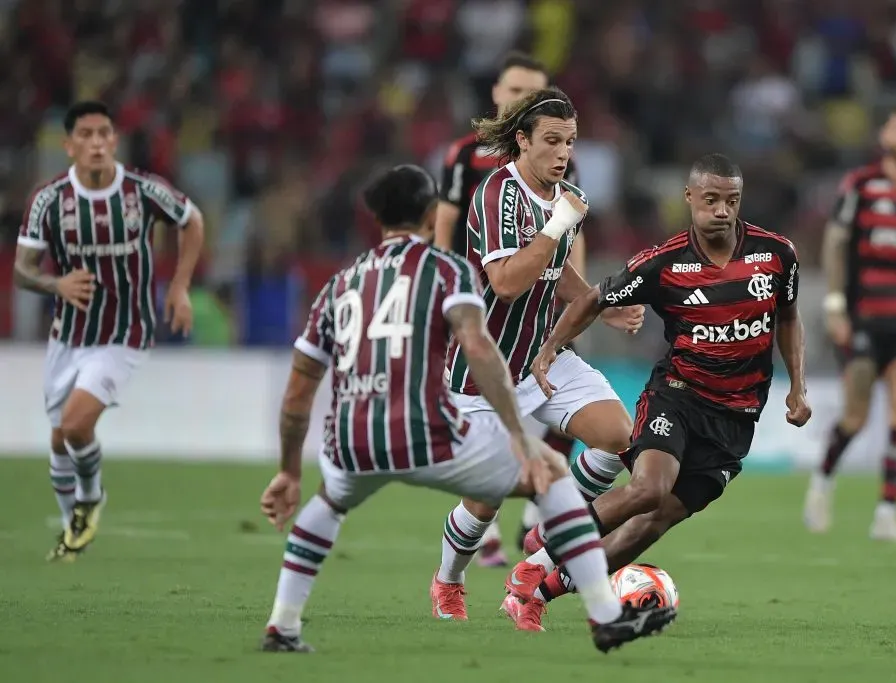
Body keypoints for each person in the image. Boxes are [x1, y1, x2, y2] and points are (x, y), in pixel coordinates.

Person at [256, 164, 674, 654]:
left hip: (356, 433)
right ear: (433, 214)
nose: (562, 152)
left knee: (325, 508)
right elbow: (482, 341)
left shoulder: (340, 283)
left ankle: (282, 625)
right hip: (438, 417)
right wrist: (518, 437)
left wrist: (287, 469)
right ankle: (586, 610)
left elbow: (299, 388)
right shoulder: (447, 267)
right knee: (544, 480)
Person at [501, 153, 812, 631]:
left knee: (655, 520)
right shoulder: (664, 263)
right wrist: (549, 350)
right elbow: (592, 299)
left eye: (731, 200)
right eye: (711, 200)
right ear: (689, 199)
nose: (722, 210)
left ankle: (538, 591)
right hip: (678, 396)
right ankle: (544, 548)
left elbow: (788, 318)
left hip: (735, 420)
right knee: (648, 488)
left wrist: (797, 387)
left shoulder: (776, 255)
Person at [428, 86, 647, 621]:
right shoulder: (495, 195)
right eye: (551, 141)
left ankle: (546, 535)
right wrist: (556, 225)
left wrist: (602, 305)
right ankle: (448, 581)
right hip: (485, 369)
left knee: (623, 437)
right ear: (522, 141)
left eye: (569, 142)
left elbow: (554, 275)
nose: (562, 153)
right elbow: (505, 282)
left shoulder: (564, 195)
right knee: (488, 495)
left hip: (542, 358)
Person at [13, 100, 205, 562]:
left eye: (104, 134)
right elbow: (23, 270)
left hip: (125, 333)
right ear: (68, 145)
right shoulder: (49, 200)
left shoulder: (142, 190)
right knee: (60, 438)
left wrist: (179, 287)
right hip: (69, 335)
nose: (96, 143)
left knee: (78, 424)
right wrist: (55, 283)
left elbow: (192, 220)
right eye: (86, 135)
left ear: (114, 140)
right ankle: (70, 532)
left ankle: (91, 498)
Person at [435, 51, 583, 566]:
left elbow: (566, 243)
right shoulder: (468, 161)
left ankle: (536, 524)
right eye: (517, 90)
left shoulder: (557, 158)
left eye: (535, 92)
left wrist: (588, 303)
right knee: (492, 455)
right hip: (482, 306)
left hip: (538, 302)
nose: (524, 99)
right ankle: (481, 528)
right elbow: (446, 225)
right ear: (499, 95)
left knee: (583, 427)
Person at [803, 104, 896, 542]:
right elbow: (835, 241)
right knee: (857, 415)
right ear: (885, 135)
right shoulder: (861, 186)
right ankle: (822, 481)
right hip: (865, 319)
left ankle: (887, 512)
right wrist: (834, 306)